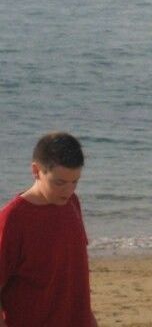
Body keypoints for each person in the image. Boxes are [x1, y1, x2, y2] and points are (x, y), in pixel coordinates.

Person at [0, 132, 98, 327]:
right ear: (36, 171)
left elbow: (73, 274)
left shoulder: (72, 203)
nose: (69, 191)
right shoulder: (12, 220)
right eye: (59, 183)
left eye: (75, 182)